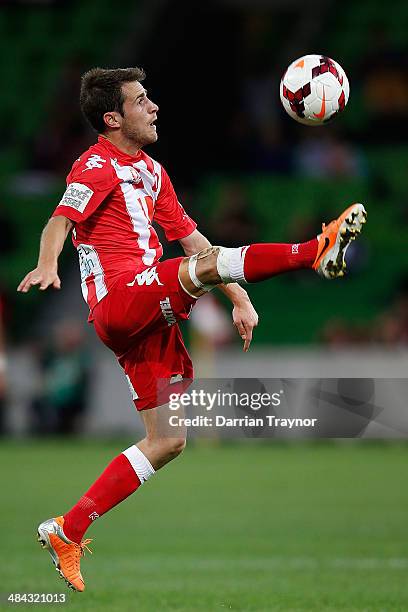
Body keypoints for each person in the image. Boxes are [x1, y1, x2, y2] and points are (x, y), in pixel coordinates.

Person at [17, 67, 366, 592]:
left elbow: (196, 241)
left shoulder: (154, 172)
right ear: (112, 118)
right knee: (198, 273)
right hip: (121, 299)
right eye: (141, 100)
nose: (154, 106)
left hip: (144, 319)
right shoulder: (94, 165)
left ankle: (68, 529)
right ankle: (314, 251)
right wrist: (47, 263)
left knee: (168, 440)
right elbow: (59, 221)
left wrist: (240, 298)